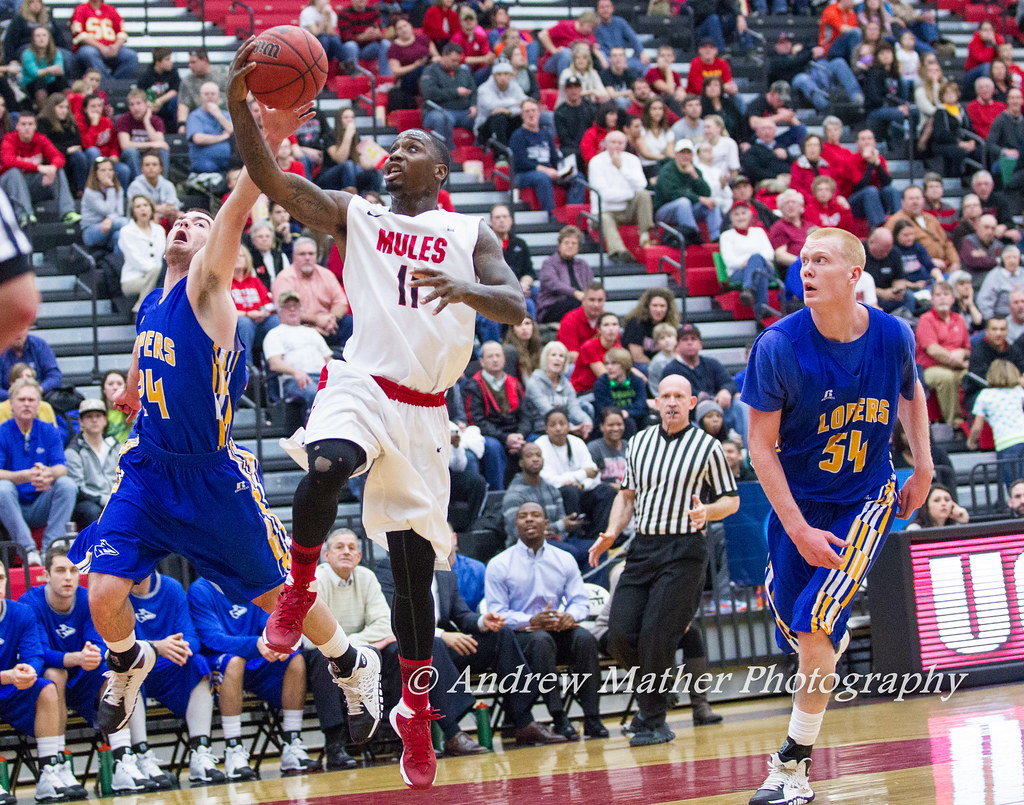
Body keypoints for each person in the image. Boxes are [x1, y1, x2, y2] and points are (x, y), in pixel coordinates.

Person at [227, 39, 526, 790]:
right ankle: (298, 588)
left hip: (426, 416)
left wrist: (466, 294)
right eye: (389, 148)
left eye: (411, 148)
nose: (394, 156)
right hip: (362, 382)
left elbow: (519, 307)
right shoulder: (356, 215)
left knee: (414, 581)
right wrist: (242, 112)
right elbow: (270, 179)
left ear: (443, 170)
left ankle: (416, 714)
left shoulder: (469, 234)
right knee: (326, 463)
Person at [66, 101, 383, 766]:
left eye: (200, 222)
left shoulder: (212, 289)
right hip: (151, 471)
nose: (188, 224)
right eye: (181, 218)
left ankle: (352, 663)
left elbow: (239, 206)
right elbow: (136, 374)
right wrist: (126, 404)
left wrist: (265, 142)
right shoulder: (154, 299)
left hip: (211, 480)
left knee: (280, 597)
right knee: (101, 590)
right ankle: (128, 661)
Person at [741, 227, 931, 805]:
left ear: (854, 275)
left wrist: (921, 467)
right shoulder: (778, 346)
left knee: (815, 625)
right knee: (797, 622)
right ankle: (826, 634)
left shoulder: (893, 334)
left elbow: (912, 394)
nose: (806, 270)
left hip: (866, 498)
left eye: (820, 260)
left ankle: (791, 769)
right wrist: (796, 528)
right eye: (802, 261)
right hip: (798, 504)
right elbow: (759, 447)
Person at [589, 374, 739, 746]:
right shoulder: (637, 443)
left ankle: (653, 721)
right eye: (665, 395)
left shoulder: (708, 447)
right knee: (620, 634)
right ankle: (657, 689)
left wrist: (708, 512)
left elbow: (731, 500)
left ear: (691, 403)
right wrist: (611, 532)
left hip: (685, 550)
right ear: (656, 402)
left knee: (657, 634)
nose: (672, 401)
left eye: (679, 396)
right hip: (642, 548)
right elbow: (626, 497)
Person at [487, 502, 607, 742]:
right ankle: (559, 717)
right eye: (522, 516)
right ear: (516, 525)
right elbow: (496, 613)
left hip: (558, 629)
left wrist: (569, 616)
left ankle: (592, 717)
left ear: (546, 524)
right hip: (522, 637)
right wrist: (531, 619)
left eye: (535, 515)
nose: (529, 520)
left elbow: (580, 602)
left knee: (584, 638)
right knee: (540, 641)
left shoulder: (564, 558)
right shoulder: (499, 564)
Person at [187, 576, 318, 781]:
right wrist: (255, 643)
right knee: (234, 662)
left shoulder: (251, 583)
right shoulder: (201, 589)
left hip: (256, 658)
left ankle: (292, 743)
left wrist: (277, 643)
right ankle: (234, 749)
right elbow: (211, 638)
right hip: (220, 660)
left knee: (295, 660)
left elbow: (268, 623)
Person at [0, 559, 80, 802]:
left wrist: (29, 671)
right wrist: (7, 676)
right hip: (6, 680)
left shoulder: (21, 613)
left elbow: (35, 655)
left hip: (13, 687)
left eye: (1, 578)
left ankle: (48, 773)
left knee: (47, 687)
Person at [0, 378, 76, 565]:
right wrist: (25, 476)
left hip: (42, 501)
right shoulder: (2, 432)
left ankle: (51, 548)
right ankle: (29, 550)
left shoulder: (49, 430)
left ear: (38, 405)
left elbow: (61, 468)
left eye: (31, 400)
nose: (27, 404)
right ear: (11, 405)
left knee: (67, 485)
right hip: (12, 504)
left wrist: (48, 473)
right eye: (22, 399)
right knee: (2, 488)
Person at [466, 340, 532, 491]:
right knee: (493, 447)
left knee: (537, 441)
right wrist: (505, 438)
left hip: (515, 433)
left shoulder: (514, 383)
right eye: (490, 356)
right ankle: (497, 493)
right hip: (492, 435)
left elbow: (527, 415)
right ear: (481, 361)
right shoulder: (474, 385)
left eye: (498, 356)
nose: (495, 360)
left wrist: (520, 435)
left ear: (504, 359)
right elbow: (476, 420)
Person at [0, 112, 79, 229]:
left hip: (33, 184)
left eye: (30, 124)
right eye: (23, 124)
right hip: (10, 187)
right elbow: (8, 161)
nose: (27, 128)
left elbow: (58, 156)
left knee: (58, 170)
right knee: (13, 172)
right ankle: (25, 215)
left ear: (35, 126)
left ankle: (67, 212)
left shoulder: (41, 139)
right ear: (17, 126)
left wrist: (52, 168)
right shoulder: (9, 139)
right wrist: (38, 167)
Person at [269, 236, 349, 349]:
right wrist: (317, 320)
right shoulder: (285, 278)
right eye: (302, 254)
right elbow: (286, 310)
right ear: (294, 257)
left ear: (316, 256)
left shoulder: (326, 274)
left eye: (311, 254)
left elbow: (341, 302)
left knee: (350, 323)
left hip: (329, 325)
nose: (307, 258)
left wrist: (332, 319)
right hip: (300, 326)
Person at [587, 129, 652, 264]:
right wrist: (630, 193)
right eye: (613, 142)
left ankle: (645, 235)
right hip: (605, 210)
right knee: (604, 217)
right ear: (605, 144)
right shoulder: (596, 162)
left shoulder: (632, 160)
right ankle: (620, 253)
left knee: (644, 195)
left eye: (620, 143)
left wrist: (622, 168)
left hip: (628, 209)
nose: (617, 145)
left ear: (625, 145)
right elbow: (605, 195)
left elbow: (641, 185)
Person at [262, 290, 332, 413]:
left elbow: (329, 360)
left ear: (301, 310)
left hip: (322, 377)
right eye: (287, 307)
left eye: (296, 306)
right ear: (279, 311)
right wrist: (296, 373)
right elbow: (275, 363)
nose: (292, 309)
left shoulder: (313, 332)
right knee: (317, 394)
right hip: (295, 380)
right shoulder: (274, 334)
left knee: (345, 393)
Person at [916, 281, 970, 427]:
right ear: (932, 299)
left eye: (946, 294)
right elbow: (933, 350)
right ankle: (955, 421)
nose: (942, 298)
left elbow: (967, 349)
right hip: (930, 368)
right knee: (946, 378)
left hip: (957, 365)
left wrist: (961, 353)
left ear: (953, 299)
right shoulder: (926, 319)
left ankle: (971, 418)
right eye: (938, 295)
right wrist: (956, 360)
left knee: (970, 376)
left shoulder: (959, 319)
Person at [968, 359, 1024, 492]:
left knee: (1014, 487)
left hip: (1006, 444)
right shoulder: (1018, 391)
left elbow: (977, 427)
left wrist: (971, 442)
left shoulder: (985, 395)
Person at [721, 202, 780, 323]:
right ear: (731, 218)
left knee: (756, 259)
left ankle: (748, 289)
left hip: (761, 269)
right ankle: (761, 310)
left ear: (750, 216)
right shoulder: (726, 236)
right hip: (738, 272)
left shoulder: (759, 231)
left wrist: (753, 260)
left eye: (743, 213)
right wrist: (753, 261)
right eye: (736, 214)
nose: (740, 217)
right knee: (759, 271)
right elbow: (729, 261)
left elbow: (770, 253)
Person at [653, 139, 722, 243]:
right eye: (682, 152)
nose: (685, 156)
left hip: (688, 209)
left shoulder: (695, 170)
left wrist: (695, 176)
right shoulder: (667, 170)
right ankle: (694, 236)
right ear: (676, 155)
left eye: (688, 153)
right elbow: (671, 194)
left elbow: (707, 193)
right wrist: (698, 198)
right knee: (683, 202)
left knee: (711, 203)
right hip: (664, 210)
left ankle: (716, 238)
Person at [65, 398, 119, 529]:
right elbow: (78, 489)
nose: (94, 420)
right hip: (88, 502)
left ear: (105, 420)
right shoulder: (73, 451)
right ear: (81, 422)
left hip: (116, 497)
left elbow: (125, 476)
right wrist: (104, 499)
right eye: (89, 416)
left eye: (98, 416)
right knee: (92, 511)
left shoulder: (116, 445)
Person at [884, 185, 961, 273]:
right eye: (911, 199)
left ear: (923, 200)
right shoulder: (895, 221)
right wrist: (929, 262)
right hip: (919, 271)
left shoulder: (931, 218)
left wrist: (955, 262)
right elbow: (892, 250)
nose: (915, 202)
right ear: (903, 202)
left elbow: (947, 243)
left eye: (918, 198)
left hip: (945, 268)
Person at [525, 340, 592, 438]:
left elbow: (574, 408)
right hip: (540, 430)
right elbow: (546, 410)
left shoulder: (566, 384)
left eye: (561, 356)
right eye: (553, 355)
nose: (557, 359)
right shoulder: (534, 382)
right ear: (545, 358)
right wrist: (569, 427)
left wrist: (586, 421)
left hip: (563, 428)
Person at [536, 225, 593, 323]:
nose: (570, 246)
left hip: (579, 303)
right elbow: (555, 285)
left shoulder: (583, 265)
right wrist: (575, 293)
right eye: (566, 242)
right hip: (552, 306)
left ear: (578, 247)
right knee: (575, 303)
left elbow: (590, 285)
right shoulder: (549, 263)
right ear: (559, 245)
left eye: (574, 243)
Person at [117, 195, 165, 312]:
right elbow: (135, 260)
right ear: (133, 211)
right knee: (160, 281)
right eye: (138, 206)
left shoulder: (159, 230)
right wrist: (155, 271)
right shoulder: (126, 231)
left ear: (151, 208)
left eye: (145, 205)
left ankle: (141, 309)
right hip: (132, 279)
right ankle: (140, 309)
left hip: (155, 276)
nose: (142, 209)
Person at [69, 0, 138, 79]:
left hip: (112, 48)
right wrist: (101, 47)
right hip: (91, 47)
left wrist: (116, 46)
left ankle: (116, 84)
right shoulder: (81, 9)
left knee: (130, 56)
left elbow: (122, 33)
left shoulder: (111, 10)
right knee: (88, 53)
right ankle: (104, 83)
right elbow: (79, 33)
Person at [114, 89, 169, 181]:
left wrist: (147, 121)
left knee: (162, 150)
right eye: (132, 104)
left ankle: (162, 183)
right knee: (131, 151)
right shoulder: (124, 120)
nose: (135, 107)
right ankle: (141, 185)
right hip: (131, 156)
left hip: (149, 154)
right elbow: (125, 145)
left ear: (146, 104)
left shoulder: (156, 120)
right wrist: (151, 144)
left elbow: (160, 143)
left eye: (138, 103)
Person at [0, 327, 60, 400]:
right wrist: (16, 396)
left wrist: (38, 390)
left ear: (27, 329)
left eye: (21, 329)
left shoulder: (40, 345)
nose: (18, 334)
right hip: (7, 401)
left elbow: (54, 376)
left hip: (39, 398)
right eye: (14, 329)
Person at [337, 0, 392, 77]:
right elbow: (345, 38)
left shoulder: (373, 10)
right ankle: (354, 77)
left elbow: (381, 33)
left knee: (386, 44)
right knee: (350, 46)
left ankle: (385, 78)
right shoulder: (344, 13)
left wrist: (377, 34)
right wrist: (363, 36)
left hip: (369, 48)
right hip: (351, 49)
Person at [126, 152, 180, 227]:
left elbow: (174, 206)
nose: (151, 167)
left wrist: (164, 210)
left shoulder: (168, 185)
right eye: (147, 165)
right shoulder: (135, 186)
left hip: (165, 216)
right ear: (142, 169)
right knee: (154, 216)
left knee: (180, 215)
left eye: (154, 165)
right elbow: (136, 209)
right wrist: (158, 209)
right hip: (142, 220)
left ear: (161, 168)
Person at [136, 46, 179, 133]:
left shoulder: (173, 72)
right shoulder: (146, 75)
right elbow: (141, 94)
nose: (171, 62)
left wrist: (160, 101)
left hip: (167, 105)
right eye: (167, 59)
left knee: (176, 101)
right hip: (151, 105)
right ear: (157, 61)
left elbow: (175, 90)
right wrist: (151, 104)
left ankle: (178, 131)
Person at [904, 483, 969, 530]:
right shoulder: (915, 529)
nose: (943, 503)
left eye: (947, 500)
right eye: (937, 500)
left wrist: (963, 523)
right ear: (926, 506)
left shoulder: (956, 527)